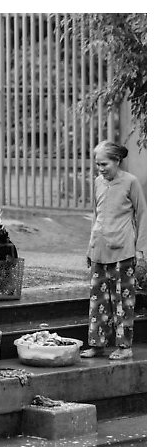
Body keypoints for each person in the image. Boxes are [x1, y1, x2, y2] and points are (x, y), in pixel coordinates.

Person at [81, 140, 147, 360]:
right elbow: (96, 215)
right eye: (97, 164)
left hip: (123, 251)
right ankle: (96, 345)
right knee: (97, 301)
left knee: (122, 301)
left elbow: (142, 215)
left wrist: (140, 250)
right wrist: (90, 248)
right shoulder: (98, 182)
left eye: (104, 164)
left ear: (117, 161)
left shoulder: (131, 182)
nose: (100, 169)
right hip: (99, 250)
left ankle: (124, 347)